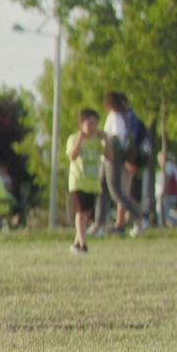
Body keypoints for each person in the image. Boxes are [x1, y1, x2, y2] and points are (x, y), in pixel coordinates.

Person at [95, 91, 148, 236]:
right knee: (102, 191)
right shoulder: (117, 116)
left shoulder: (117, 117)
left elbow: (118, 138)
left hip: (113, 158)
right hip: (106, 158)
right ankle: (98, 224)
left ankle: (139, 216)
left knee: (116, 192)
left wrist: (102, 135)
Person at [67, 108, 109, 254]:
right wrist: (80, 139)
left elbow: (109, 156)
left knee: (86, 215)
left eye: (95, 124)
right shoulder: (73, 138)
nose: (93, 127)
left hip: (92, 183)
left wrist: (106, 140)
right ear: (81, 124)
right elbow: (72, 155)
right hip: (77, 182)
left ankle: (76, 243)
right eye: (89, 123)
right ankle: (83, 244)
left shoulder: (96, 142)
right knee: (80, 212)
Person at [155, 151, 177, 228]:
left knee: (163, 212)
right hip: (171, 193)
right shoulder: (173, 167)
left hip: (169, 194)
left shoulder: (168, 166)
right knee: (166, 212)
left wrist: (164, 191)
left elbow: (167, 179)